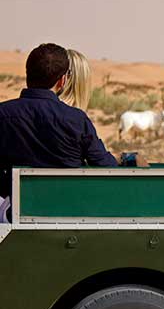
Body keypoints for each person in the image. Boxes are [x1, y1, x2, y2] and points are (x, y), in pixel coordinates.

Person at [0, 43, 117, 201]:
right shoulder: (76, 119)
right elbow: (106, 166)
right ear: (62, 81)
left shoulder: (4, 113)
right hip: (68, 207)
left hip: (14, 210)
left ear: (27, 74)